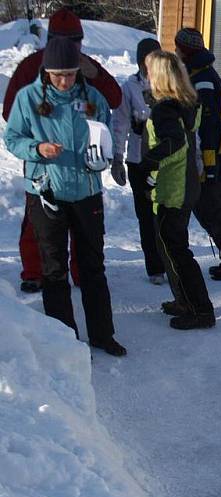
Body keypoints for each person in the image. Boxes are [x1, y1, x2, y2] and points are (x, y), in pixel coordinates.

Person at [5, 36, 126, 356]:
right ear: (46, 71)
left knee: (92, 267)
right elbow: (13, 138)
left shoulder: (92, 98)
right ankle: (64, 340)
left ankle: (103, 334)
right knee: (53, 269)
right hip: (46, 192)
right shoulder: (28, 98)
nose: (64, 80)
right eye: (58, 74)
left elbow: (108, 131)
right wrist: (37, 149)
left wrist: (103, 154)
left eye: (70, 74)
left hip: (86, 192)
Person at [140, 50, 216, 330]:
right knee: (171, 247)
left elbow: (174, 142)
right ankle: (185, 300)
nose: (147, 76)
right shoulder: (183, 104)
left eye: (150, 71)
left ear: (160, 76)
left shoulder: (166, 109)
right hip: (186, 185)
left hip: (173, 188)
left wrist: (149, 162)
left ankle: (200, 309)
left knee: (175, 250)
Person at [174, 28, 221, 281]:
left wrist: (208, 166)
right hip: (211, 156)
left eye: (178, 48)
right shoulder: (196, 72)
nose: (176, 52)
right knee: (208, 209)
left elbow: (208, 128)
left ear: (186, 51)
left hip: (213, 156)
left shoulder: (202, 79)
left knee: (213, 209)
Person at [110, 37, 167, 285]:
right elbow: (119, 123)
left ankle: (170, 258)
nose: (150, 65)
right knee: (146, 214)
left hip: (166, 159)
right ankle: (155, 266)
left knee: (165, 212)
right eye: (146, 60)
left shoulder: (168, 84)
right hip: (138, 159)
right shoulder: (129, 87)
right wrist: (117, 157)